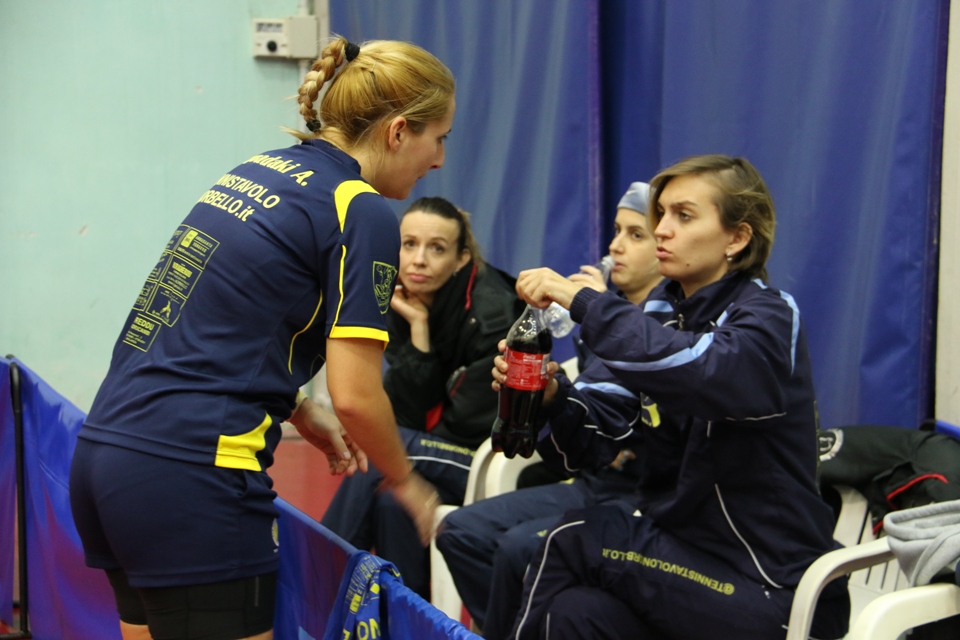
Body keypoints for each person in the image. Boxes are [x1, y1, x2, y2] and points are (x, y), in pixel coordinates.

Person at [69, 37, 455, 640]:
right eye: (440, 139)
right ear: (400, 131)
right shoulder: (364, 210)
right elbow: (356, 394)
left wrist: (298, 406)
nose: (438, 161)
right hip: (196, 475)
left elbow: (206, 319)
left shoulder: (257, 170)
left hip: (106, 456)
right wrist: (406, 481)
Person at [494, 156, 850, 639]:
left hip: (768, 583)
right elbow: (587, 447)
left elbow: (700, 370)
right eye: (660, 214)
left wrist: (583, 302)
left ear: (737, 238)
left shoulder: (769, 315)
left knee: (570, 539)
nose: (662, 229)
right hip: (680, 557)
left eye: (683, 216)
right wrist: (553, 395)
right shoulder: (661, 313)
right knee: (574, 613)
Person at [434, 181, 664, 638]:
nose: (616, 245)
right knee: (460, 532)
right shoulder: (606, 316)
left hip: (639, 496)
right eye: (617, 231)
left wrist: (601, 309)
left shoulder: (667, 323)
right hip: (593, 481)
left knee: (521, 548)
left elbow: (626, 409)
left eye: (636, 235)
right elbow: (593, 408)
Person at [322, 195, 525, 598]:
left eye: (436, 249)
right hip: (438, 448)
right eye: (408, 244)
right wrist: (418, 332)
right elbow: (408, 408)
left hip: (491, 458)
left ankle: (319, 580)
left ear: (462, 259)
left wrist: (404, 465)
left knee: (380, 450)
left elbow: (468, 425)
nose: (418, 260)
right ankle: (408, 625)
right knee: (393, 504)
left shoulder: (493, 316)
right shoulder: (403, 299)